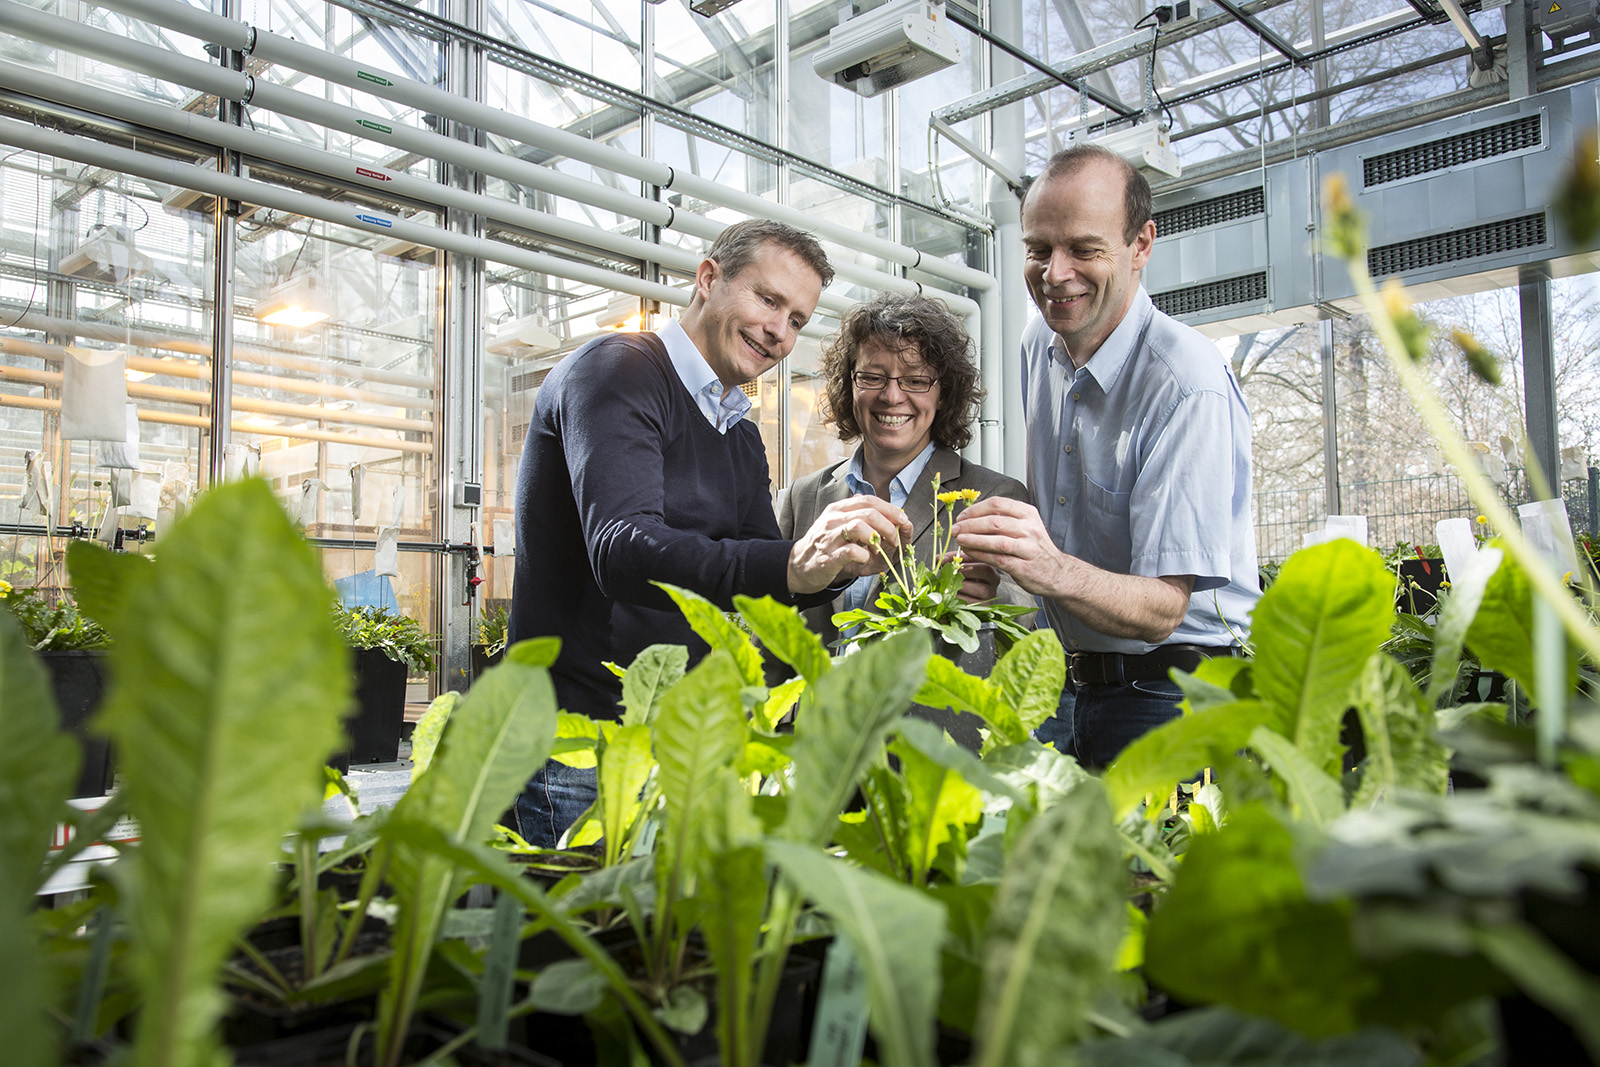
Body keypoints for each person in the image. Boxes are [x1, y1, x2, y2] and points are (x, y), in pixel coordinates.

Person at [509, 219, 913, 846]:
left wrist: (837, 564)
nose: (779, 330)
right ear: (708, 278)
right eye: (767, 298)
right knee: (590, 936)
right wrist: (791, 564)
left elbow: (761, 572)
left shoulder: (738, 430)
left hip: (677, 742)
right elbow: (620, 548)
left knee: (669, 940)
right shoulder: (619, 373)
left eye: (798, 319)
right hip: (582, 744)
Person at [952, 144, 1261, 769]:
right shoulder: (1039, 339)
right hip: (1071, 684)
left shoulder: (1185, 383)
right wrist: (1002, 566)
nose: (1055, 273)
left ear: (1140, 246)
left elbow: (1161, 609)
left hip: (1175, 694)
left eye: (1085, 249)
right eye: (1038, 250)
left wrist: (1046, 567)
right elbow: (1069, 543)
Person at [778, 291, 1032, 651]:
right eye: (872, 377)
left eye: (915, 380)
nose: (892, 396)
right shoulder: (802, 498)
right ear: (849, 384)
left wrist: (988, 600)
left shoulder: (993, 497)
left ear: (944, 393)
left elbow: (1022, 619)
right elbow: (769, 638)